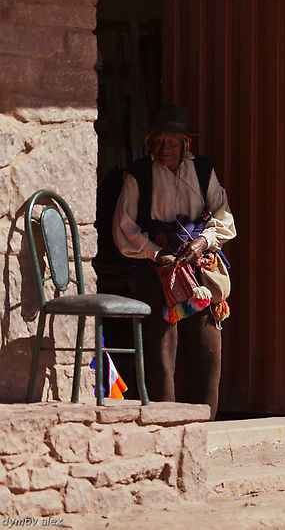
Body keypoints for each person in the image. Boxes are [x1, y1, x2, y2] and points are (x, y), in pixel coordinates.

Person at [113, 105, 236, 419]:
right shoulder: (138, 174)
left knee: (207, 344)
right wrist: (156, 253)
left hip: (199, 268)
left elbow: (223, 217)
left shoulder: (205, 171)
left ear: (186, 144)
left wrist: (202, 242)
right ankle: (164, 419)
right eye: (158, 142)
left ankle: (205, 417)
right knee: (160, 348)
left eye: (171, 142)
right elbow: (125, 227)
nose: (163, 148)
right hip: (157, 268)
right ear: (150, 143)